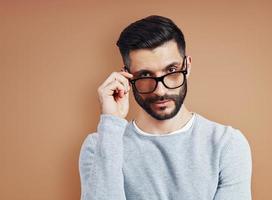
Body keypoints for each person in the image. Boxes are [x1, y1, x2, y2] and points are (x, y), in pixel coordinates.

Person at [79, 15, 252, 200]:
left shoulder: (227, 144)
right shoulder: (100, 145)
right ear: (127, 77)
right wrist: (112, 123)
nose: (160, 91)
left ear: (188, 66)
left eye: (171, 71)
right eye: (145, 74)